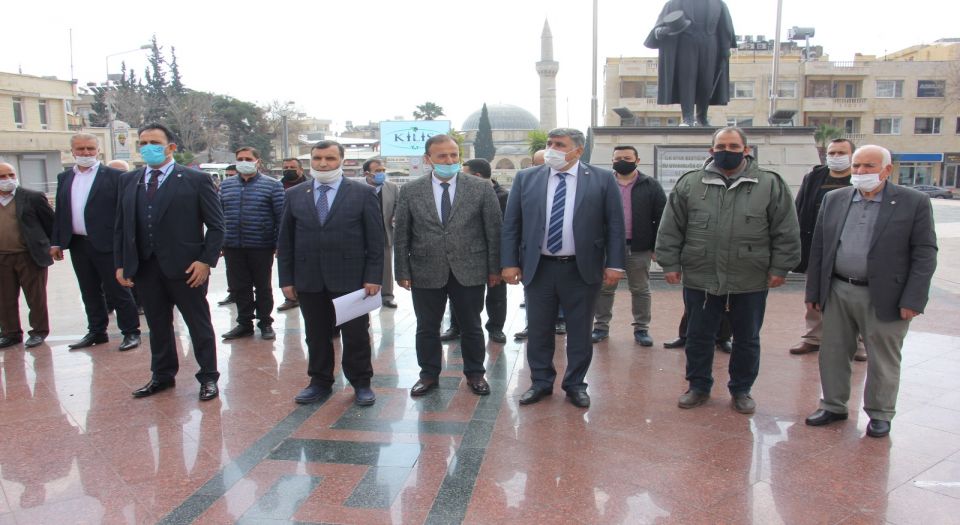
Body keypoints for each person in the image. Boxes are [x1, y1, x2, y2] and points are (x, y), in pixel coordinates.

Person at [656, 127, 800, 414]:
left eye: (734, 146)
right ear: (711, 150)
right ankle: (698, 386)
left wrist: (781, 267)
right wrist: (669, 263)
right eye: (721, 145)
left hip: (750, 276)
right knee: (698, 335)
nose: (727, 150)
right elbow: (671, 227)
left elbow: (785, 230)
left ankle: (741, 389)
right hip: (702, 276)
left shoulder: (769, 184)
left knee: (747, 338)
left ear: (746, 150)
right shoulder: (690, 183)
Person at [804, 145, 937, 438]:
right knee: (833, 352)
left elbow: (925, 253)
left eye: (869, 166)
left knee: (883, 357)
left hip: (887, 295)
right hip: (838, 289)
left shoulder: (912, 202)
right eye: (857, 166)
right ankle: (833, 405)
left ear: (887, 170)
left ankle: (880, 413)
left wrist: (914, 298)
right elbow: (820, 248)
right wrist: (814, 291)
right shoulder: (835, 199)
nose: (861, 172)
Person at [502, 128, 626, 408]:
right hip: (539, 268)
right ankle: (541, 382)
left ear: (578, 151)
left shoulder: (602, 179)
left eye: (559, 145)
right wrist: (509, 262)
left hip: (582, 269)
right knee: (539, 329)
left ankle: (575, 384)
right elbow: (511, 225)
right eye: (549, 144)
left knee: (580, 331)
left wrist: (615, 264)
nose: (551, 149)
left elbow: (616, 226)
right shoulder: (526, 178)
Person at [115, 123, 225, 401]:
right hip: (146, 267)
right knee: (157, 325)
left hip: (187, 268)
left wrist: (205, 261)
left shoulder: (194, 180)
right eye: (142, 143)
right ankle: (162, 375)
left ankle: (208, 377)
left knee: (198, 325)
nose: (147, 147)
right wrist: (122, 264)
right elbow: (121, 227)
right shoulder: (129, 181)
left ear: (171, 147)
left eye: (153, 142)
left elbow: (216, 226)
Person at [394, 134, 502, 397]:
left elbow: (494, 231)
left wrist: (494, 269)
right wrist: (402, 271)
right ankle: (428, 375)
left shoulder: (480, 188)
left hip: (470, 268)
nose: (450, 160)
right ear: (428, 159)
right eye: (442, 156)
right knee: (426, 326)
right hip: (425, 269)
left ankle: (475, 374)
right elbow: (402, 235)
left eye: (454, 155)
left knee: (471, 325)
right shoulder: (410, 190)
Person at [278, 140, 384, 406]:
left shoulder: (362, 193)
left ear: (342, 161)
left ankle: (361, 383)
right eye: (317, 158)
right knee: (315, 333)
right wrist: (286, 280)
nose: (323, 164)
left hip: (351, 278)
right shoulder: (294, 195)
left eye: (330, 159)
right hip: (309, 278)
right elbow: (285, 241)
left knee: (356, 334)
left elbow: (375, 240)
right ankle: (319, 382)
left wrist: (373, 277)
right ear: (310, 161)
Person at [50, 134, 140, 352]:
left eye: (90, 148)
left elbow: (126, 212)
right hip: (79, 243)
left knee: (117, 290)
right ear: (72, 151)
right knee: (89, 290)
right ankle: (97, 331)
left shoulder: (115, 176)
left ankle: (130, 332)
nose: (86, 153)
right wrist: (56, 242)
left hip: (108, 243)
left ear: (98, 150)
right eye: (80, 149)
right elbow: (61, 211)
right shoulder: (65, 178)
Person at [790, 138, 867, 361]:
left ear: (852, 155)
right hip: (817, 243)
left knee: (856, 296)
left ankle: (858, 342)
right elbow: (801, 207)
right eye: (832, 153)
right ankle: (814, 337)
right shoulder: (815, 177)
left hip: (852, 245)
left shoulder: (862, 178)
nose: (836, 157)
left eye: (841, 152)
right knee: (814, 293)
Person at [591, 146, 665, 346]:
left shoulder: (651, 185)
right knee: (605, 288)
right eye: (617, 158)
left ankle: (641, 329)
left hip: (639, 247)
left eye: (627, 157)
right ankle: (600, 327)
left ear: (637, 160)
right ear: (612, 161)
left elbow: (661, 218)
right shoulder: (602, 183)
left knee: (640, 289)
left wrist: (657, 247)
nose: (622, 161)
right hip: (608, 247)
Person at [219, 147, 285, 341]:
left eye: (248, 158)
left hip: (261, 245)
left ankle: (265, 322)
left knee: (263, 286)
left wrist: (279, 243)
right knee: (240, 286)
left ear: (258, 161)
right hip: (233, 245)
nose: (244, 161)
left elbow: (281, 217)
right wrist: (220, 241)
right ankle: (244, 323)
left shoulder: (272, 186)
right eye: (240, 158)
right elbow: (218, 215)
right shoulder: (226, 185)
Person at [441, 158, 509, 344]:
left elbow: (504, 228)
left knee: (496, 293)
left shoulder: (503, 196)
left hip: (495, 253)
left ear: (477, 176)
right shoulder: (460, 192)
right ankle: (456, 326)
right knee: (458, 292)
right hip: (466, 254)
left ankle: (495, 328)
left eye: (464, 173)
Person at [645, 0, 736, 126]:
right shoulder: (674, 3)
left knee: (707, 82)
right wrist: (660, 31)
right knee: (687, 81)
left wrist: (725, 50)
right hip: (685, 44)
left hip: (710, 45)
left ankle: (702, 117)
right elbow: (658, 27)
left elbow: (725, 29)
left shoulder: (719, 4)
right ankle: (688, 117)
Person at [0, 162, 54, 349]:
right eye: (2, 177)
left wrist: (51, 246)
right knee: (4, 298)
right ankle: (10, 333)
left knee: (35, 297)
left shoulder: (32, 197)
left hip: (29, 255)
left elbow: (50, 223)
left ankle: (39, 331)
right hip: (3, 258)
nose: (7, 180)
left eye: (11, 175)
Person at [514, 149, 566, 340]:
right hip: (535, 257)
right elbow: (514, 222)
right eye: (537, 164)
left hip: (569, 258)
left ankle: (560, 320)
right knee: (534, 297)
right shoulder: (526, 182)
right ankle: (532, 325)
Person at [362, 158, 399, 309]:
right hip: (362, 234)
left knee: (386, 266)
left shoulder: (392, 187)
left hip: (385, 232)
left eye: (383, 170)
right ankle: (363, 295)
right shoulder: (357, 188)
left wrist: (396, 215)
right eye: (378, 171)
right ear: (367, 173)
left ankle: (387, 296)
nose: (382, 173)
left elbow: (398, 205)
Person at [276, 158, 307, 313]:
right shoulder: (277, 186)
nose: (288, 169)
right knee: (288, 266)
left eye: (292, 167)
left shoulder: (310, 186)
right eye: (286, 167)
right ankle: (291, 298)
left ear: (300, 170)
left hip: (305, 236)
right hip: (286, 234)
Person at [217, 163, 240, 307]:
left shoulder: (269, 185)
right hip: (230, 239)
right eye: (228, 175)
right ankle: (233, 292)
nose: (229, 178)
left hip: (258, 241)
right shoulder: (224, 188)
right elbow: (218, 214)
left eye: (232, 175)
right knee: (232, 271)